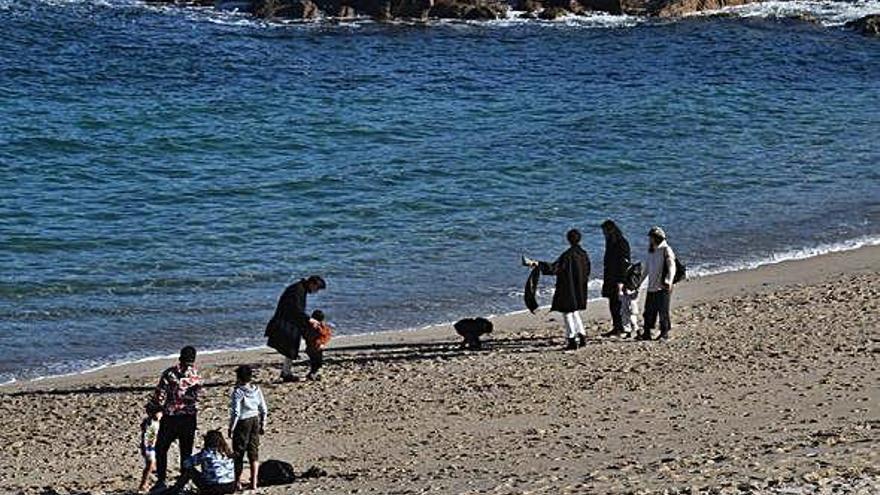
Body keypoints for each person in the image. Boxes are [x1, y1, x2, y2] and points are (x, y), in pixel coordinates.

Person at [524, 229, 592, 350]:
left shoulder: (567, 255)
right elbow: (588, 270)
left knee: (567, 313)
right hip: (580, 287)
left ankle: (571, 340)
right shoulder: (584, 254)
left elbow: (554, 268)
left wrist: (537, 264)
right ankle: (582, 337)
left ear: (568, 239)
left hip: (568, 288)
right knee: (574, 311)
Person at [151, 346, 202, 491]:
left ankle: (161, 480)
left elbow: (160, 396)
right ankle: (183, 480)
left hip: (171, 417)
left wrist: (155, 408)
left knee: (161, 448)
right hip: (189, 417)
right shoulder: (196, 375)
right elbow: (197, 397)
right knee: (186, 452)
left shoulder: (169, 374)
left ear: (180, 357)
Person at [266, 275, 327, 382]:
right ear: (312, 284)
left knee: (290, 347)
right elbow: (296, 309)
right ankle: (286, 373)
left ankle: (286, 372)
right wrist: (309, 320)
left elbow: (296, 311)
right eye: (316, 289)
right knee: (290, 347)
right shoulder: (298, 290)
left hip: (289, 320)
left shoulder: (300, 288)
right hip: (285, 321)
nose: (316, 292)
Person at [228, 365, 268, 491]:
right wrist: (263, 423)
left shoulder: (238, 392)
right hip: (255, 419)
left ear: (239, 378)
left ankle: (237, 482)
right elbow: (263, 408)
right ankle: (254, 482)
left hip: (243, 422)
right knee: (253, 452)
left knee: (239, 453)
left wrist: (231, 428)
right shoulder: (256, 389)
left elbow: (236, 412)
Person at [638, 226, 676, 341]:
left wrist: (669, 280)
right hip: (651, 286)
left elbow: (672, 266)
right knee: (648, 311)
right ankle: (647, 332)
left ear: (657, 238)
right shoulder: (651, 251)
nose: (649, 240)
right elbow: (647, 269)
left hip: (663, 286)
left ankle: (664, 333)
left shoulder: (666, 249)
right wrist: (638, 283)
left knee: (663, 311)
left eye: (651, 237)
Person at [169, 430, 236, 495]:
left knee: (190, 471)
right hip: (230, 486)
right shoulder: (227, 453)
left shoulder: (206, 453)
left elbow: (187, 463)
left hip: (213, 487)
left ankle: (174, 490)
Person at [600, 220, 631, 338]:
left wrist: (621, 281)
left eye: (605, 231)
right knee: (612, 303)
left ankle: (622, 327)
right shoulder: (610, 242)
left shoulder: (621, 243)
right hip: (609, 277)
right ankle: (616, 327)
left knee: (619, 304)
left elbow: (624, 264)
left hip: (618, 278)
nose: (604, 234)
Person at [138, 402, 163, 492]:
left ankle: (148, 483)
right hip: (148, 446)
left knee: (153, 466)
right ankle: (143, 484)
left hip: (154, 446)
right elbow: (145, 435)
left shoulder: (158, 422)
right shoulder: (150, 422)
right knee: (150, 464)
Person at [304, 310, 333, 381]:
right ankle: (313, 374)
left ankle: (312, 374)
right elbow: (325, 334)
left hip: (312, 347)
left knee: (314, 363)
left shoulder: (309, 326)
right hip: (316, 347)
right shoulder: (318, 327)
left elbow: (306, 335)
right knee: (318, 363)